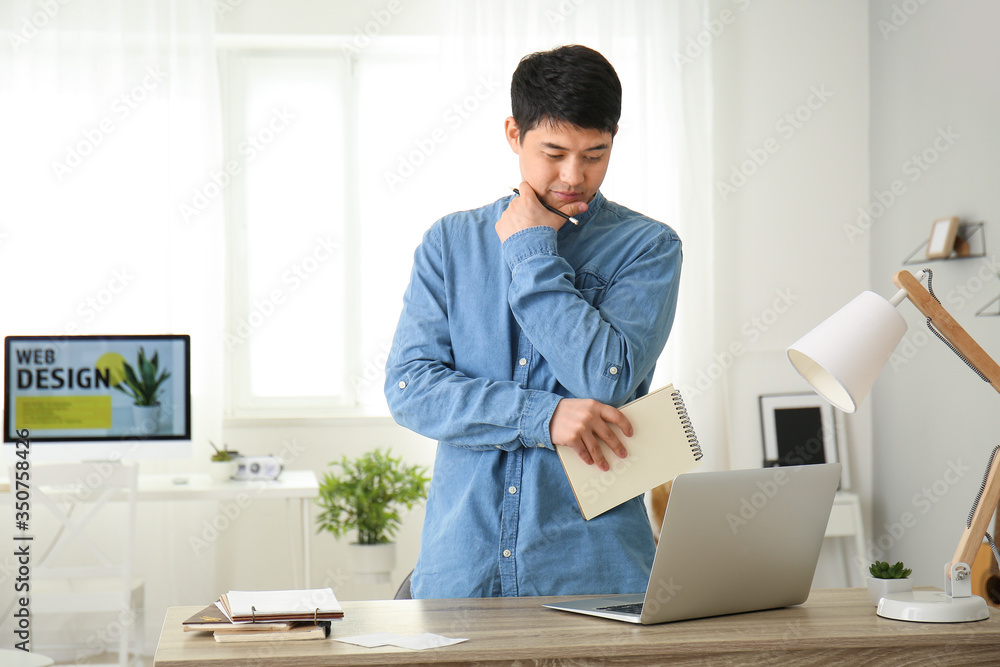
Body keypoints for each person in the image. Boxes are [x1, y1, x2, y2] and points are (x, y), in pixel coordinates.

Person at [384, 44, 682, 599]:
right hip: (461, 574)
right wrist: (543, 416)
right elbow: (410, 389)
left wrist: (530, 250)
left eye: (595, 153)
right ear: (513, 134)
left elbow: (606, 380)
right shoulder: (451, 243)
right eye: (554, 152)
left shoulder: (648, 247)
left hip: (595, 574)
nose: (574, 175)